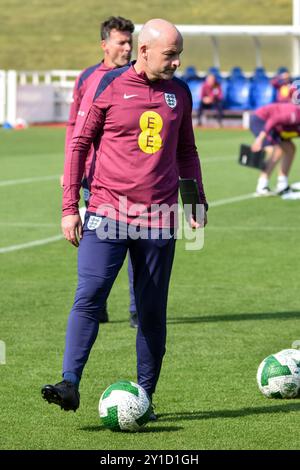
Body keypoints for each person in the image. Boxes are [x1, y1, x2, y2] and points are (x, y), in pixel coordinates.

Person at [41, 18, 208, 418]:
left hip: (160, 217)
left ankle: (144, 397)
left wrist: (194, 201)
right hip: (106, 211)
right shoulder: (108, 85)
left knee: (151, 311)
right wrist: (69, 207)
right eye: (170, 55)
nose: (177, 63)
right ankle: (70, 382)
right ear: (144, 50)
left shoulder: (180, 93)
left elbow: (186, 150)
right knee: (89, 297)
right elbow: (79, 144)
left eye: (179, 54)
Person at [63, 16, 138, 327]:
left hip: (132, 177)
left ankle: (137, 309)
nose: (127, 47)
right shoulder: (89, 77)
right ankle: (98, 304)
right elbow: (74, 126)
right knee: (101, 244)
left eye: (129, 41)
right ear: (104, 45)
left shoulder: (139, 75)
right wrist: (69, 169)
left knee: (139, 240)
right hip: (94, 178)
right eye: (121, 42)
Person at [250, 102, 300, 196]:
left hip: (276, 127)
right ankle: (262, 185)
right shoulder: (296, 115)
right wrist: (260, 139)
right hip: (261, 119)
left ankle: (282, 185)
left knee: (290, 148)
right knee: (276, 150)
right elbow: (273, 120)